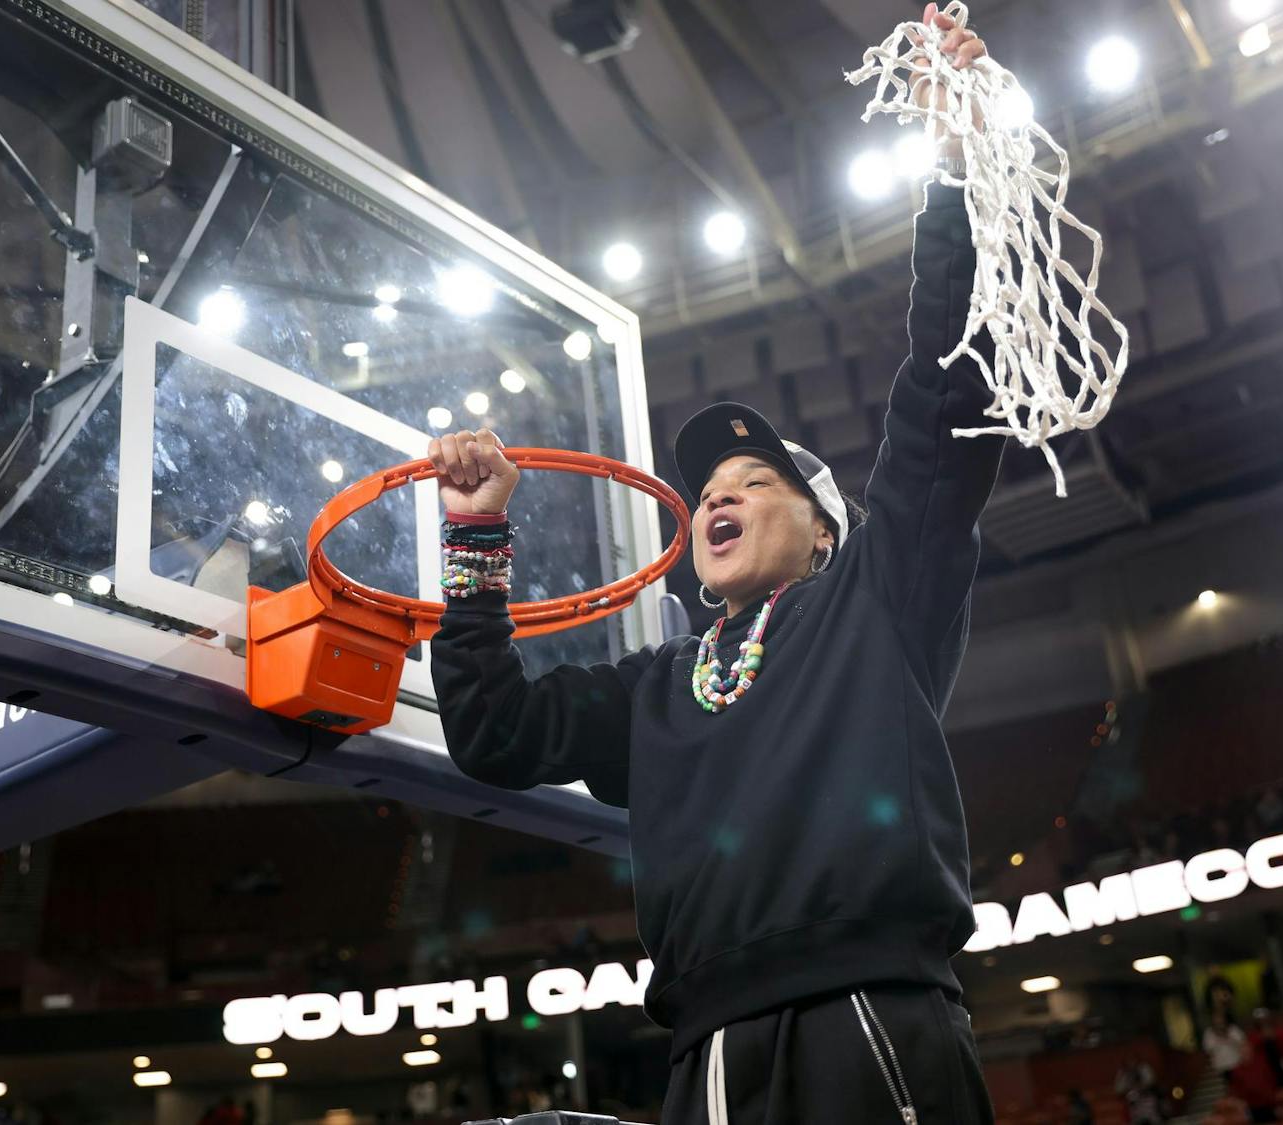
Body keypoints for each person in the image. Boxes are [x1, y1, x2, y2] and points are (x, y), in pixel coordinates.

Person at [428, 9, 1002, 1123]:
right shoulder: (655, 688)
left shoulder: (877, 602)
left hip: (871, 1014)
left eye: (759, 479)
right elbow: (492, 734)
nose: (721, 494)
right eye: (707, 491)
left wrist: (952, 175)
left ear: (828, 531)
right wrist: (474, 542)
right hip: (706, 1052)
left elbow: (940, 398)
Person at [1203, 1010, 1247, 1084]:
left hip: (1236, 1063)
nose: (1218, 1020)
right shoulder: (1209, 1033)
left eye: (1220, 1018)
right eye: (1216, 1018)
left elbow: (1243, 1042)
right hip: (1221, 1066)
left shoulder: (1233, 1029)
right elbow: (1208, 1050)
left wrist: (1228, 1037)